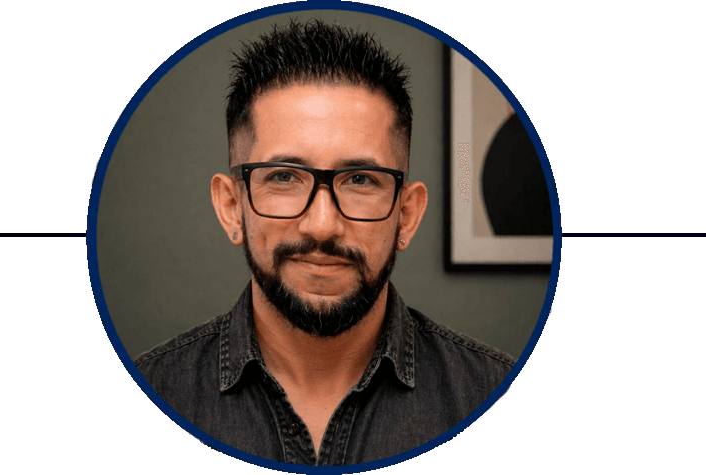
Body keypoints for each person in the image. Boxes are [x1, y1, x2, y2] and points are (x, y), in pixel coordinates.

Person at [133, 19, 516, 466]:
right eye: (283, 177)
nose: (321, 225)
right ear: (232, 207)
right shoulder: (147, 394)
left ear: (407, 215)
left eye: (360, 179)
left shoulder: (497, 396)